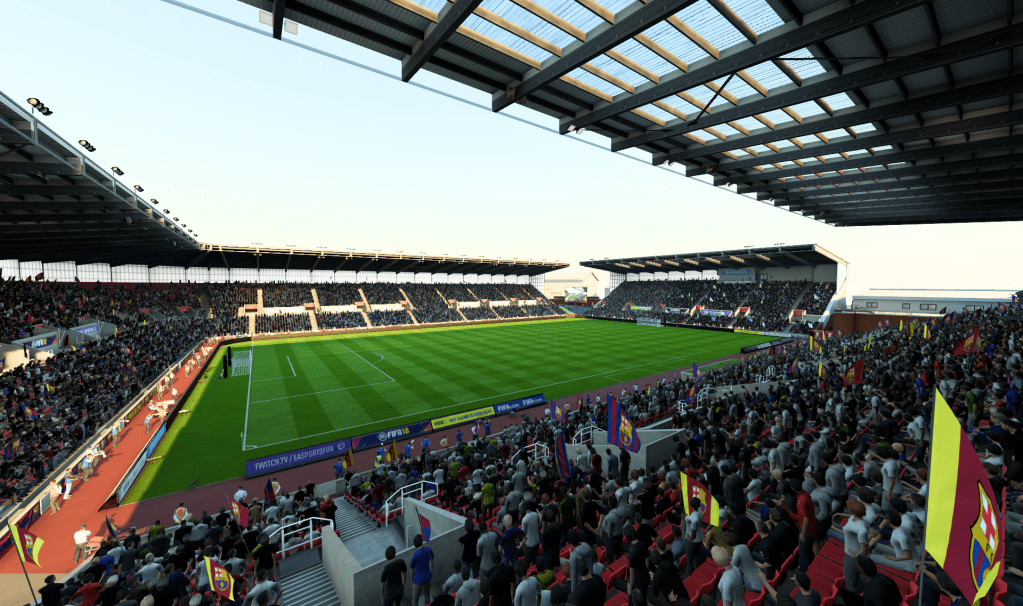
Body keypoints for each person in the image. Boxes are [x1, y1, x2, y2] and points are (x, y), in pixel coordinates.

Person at [410, 534, 434, 606]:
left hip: (418, 580)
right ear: (422, 541)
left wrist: (411, 582)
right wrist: (430, 571)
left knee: (415, 601)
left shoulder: (414, 555)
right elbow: (432, 563)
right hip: (427, 576)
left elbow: (412, 572)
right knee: (427, 596)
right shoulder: (429, 549)